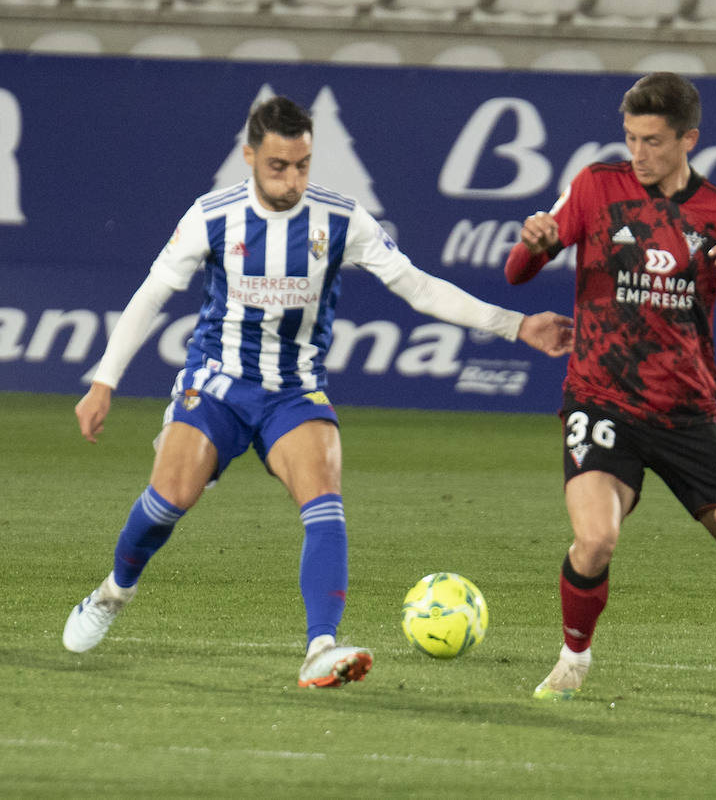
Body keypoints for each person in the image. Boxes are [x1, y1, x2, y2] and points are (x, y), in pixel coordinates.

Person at [64, 96, 573, 688]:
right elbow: (152, 295)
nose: (293, 179)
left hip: (294, 390)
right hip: (217, 383)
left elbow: (417, 287)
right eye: (279, 166)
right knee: (168, 499)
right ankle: (113, 592)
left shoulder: (340, 218)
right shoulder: (212, 216)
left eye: (303, 165)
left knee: (324, 503)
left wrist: (515, 324)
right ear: (251, 157)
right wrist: (104, 381)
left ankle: (320, 648)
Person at [503, 72, 716, 709]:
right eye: (632, 138)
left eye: (655, 141)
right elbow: (518, 271)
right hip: (600, 398)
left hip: (687, 411)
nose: (639, 153)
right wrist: (535, 247)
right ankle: (572, 659)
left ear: (689, 138)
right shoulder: (593, 187)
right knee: (595, 539)